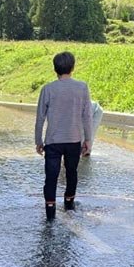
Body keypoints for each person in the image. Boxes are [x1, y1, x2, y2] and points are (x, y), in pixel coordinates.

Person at [35, 52, 93, 221]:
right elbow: (87, 116)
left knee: (51, 176)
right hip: (74, 139)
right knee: (71, 173)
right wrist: (88, 140)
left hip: (53, 141)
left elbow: (40, 118)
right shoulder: (82, 87)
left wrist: (38, 141)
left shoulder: (48, 89)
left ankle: (50, 211)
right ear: (72, 67)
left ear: (55, 69)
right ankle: (69, 205)